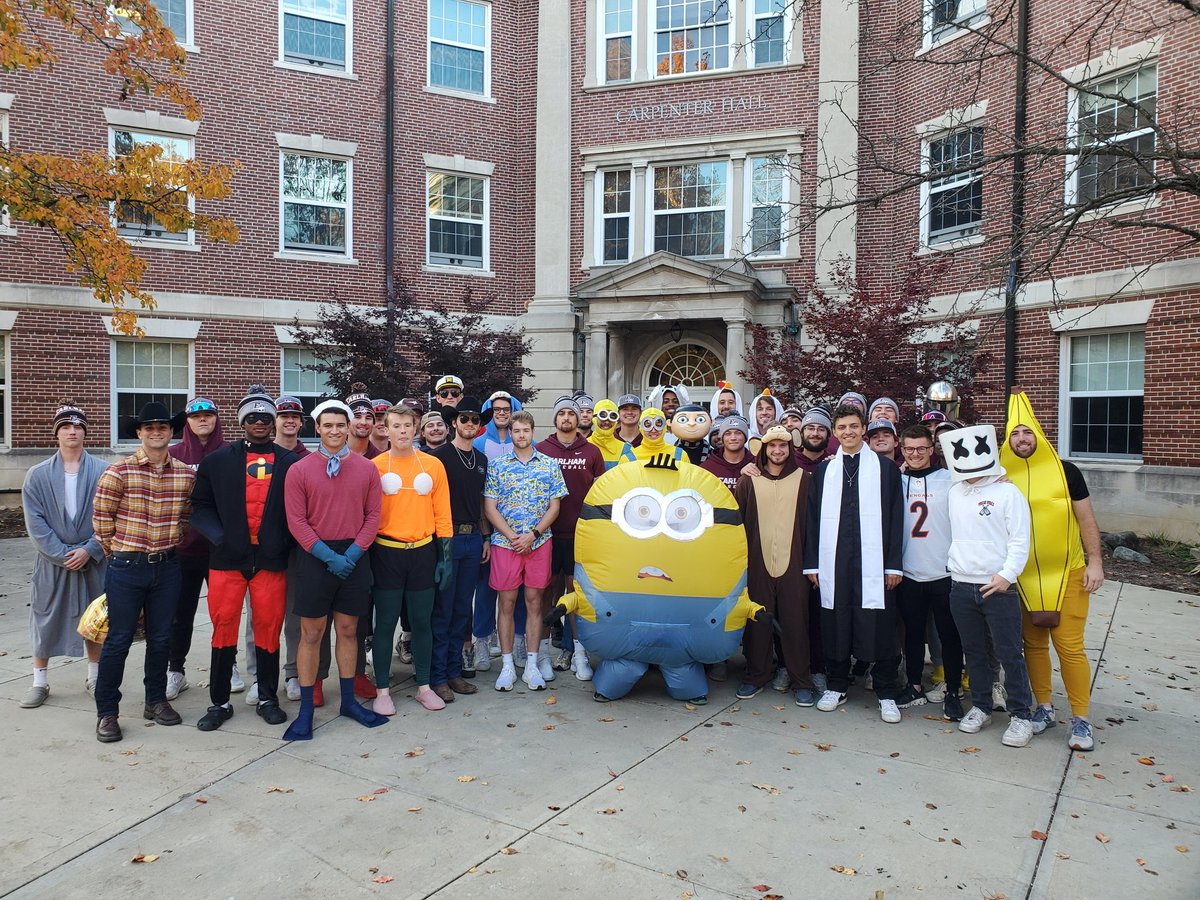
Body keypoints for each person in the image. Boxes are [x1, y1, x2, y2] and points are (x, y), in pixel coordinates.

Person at [188, 386, 299, 731]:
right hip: (227, 562)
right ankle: (219, 702)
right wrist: (222, 538)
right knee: (223, 629)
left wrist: (282, 543)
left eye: (266, 416)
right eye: (252, 417)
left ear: (274, 421)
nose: (260, 422)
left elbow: (301, 511)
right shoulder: (217, 461)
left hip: (270, 562)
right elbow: (200, 508)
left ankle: (268, 696)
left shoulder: (292, 463)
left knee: (268, 629)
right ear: (241, 422)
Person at [1002, 391, 1105, 751]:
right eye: (1014, 434)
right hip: (1022, 577)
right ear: (1007, 439)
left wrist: (1096, 561)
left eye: (1027, 432)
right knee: (1032, 645)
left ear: (1039, 434)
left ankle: (1081, 718)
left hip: (1068, 572)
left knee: (1070, 647)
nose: (1022, 439)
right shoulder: (1001, 475)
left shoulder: (1066, 471)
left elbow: (1086, 519)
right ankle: (1043, 707)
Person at [91, 401, 196, 743]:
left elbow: (185, 517)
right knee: (118, 641)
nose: (156, 432)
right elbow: (102, 523)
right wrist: (119, 555)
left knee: (161, 638)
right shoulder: (117, 473)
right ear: (139, 433)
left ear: (171, 432)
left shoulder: (184, 475)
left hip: (167, 567)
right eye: (149, 427)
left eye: (162, 427)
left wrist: (170, 544)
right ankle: (107, 711)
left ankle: (156, 700)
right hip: (127, 566)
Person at [283, 399, 386, 741]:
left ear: (348, 428)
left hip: (354, 556)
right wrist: (328, 556)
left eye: (340, 425)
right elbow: (297, 521)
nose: (335, 431)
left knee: (348, 629)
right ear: (318, 428)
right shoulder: (299, 469)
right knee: (311, 634)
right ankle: (306, 713)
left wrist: (354, 553)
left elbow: (373, 516)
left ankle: (348, 703)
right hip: (316, 556)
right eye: (328, 425)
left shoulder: (366, 468)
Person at [802, 403, 906, 724]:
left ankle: (886, 691)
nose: (848, 432)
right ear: (835, 433)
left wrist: (892, 566)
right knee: (836, 618)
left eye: (854, 426)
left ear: (864, 429)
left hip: (873, 561)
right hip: (834, 559)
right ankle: (837, 684)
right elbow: (813, 520)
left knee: (880, 621)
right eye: (842, 428)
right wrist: (813, 566)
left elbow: (895, 519)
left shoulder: (886, 470)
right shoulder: (824, 471)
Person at [941, 423, 1035, 748]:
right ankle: (981, 706)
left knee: (1010, 653)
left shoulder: (1008, 492)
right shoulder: (954, 491)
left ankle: (1021, 714)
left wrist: (1007, 575)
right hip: (961, 585)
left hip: (998, 587)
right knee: (975, 652)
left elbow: (1021, 539)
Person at [20, 403, 109, 709]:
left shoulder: (103, 471)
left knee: (95, 620)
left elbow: (113, 515)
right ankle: (39, 681)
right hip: (52, 563)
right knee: (45, 618)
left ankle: (95, 676)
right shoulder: (38, 475)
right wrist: (62, 554)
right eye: (65, 427)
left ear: (85, 432)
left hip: (93, 559)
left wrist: (90, 548)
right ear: (56, 433)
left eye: (78, 426)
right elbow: (36, 523)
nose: (72, 431)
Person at [371, 404, 454, 712]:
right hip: (386, 552)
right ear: (387, 429)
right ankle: (382, 690)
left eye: (408, 425)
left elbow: (442, 512)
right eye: (396, 425)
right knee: (386, 623)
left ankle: (423, 685)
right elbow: (368, 514)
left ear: (416, 428)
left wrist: (445, 555)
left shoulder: (432, 466)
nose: (402, 430)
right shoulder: (376, 465)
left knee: (422, 623)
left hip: (422, 551)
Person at [483, 410, 567, 692]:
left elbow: (555, 506)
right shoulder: (497, 466)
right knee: (505, 603)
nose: (521, 435)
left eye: (525, 431)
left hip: (539, 543)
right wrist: (511, 536)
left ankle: (531, 664)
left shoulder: (549, 465)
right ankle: (507, 664)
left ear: (533, 432)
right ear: (511, 432)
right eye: (516, 431)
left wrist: (532, 535)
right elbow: (490, 507)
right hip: (505, 544)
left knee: (535, 602)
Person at [734, 424, 817, 706]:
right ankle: (755, 676)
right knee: (757, 621)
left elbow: (814, 526)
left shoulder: (804, 480)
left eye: (783, 446)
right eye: (772, 446)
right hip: (756, 562)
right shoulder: (748, 481)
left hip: (795, 563)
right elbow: (737, 526)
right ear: (764, 449)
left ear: (790, 449)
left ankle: (801, 680)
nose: (778, 451)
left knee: (796, 622)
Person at [897, 424, 965, 720]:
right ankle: (914, 684)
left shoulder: (950, 480)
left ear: (931, 450)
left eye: (921, 448)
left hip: (944, 572)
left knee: (950, 636)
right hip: (909, 572)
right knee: (912, 634)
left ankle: (952, 690)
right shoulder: (895, 481)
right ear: (902, 450)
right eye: (909, 448)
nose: (915, 454)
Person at [165, 397, 230, 701]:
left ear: (217, 418)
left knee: (224, 613)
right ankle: (175, 670)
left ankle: (227, 666)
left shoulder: (231, 452)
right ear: (187, 421)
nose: (203, 419)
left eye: (208, 414)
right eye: (196, 416)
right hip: (184, 549)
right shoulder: (173, 454)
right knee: (180, 615)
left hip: (221, 549)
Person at [537, 396, 606, 679]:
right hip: (547, 535)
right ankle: (540, 655)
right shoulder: (541, 449)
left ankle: (580, 655)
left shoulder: (591, 452)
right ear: (555, 419)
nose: (566, 417)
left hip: (580, 536)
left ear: (579, 419)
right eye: (561, 413)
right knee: (545, 595)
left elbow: (602, 493)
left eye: (571, 413)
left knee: (577, 596)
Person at [431, 397, 491, 690]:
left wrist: (486, 536)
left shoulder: (481, 460)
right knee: (443, 608)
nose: (469, 424)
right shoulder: (439, 456)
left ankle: (454, 671)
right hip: (446, 538)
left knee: (462, 609)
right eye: (464, 419)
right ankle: (438, 676)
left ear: (480, 426)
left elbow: (481, 501)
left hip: (473, 538)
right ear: (454, 422)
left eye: (475, 420)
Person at [275, 395, 313, 703]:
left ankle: (292, 672)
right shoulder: (259, 455)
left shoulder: (307, 458)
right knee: (260, 618)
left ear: (301, 422)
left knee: (295, 617)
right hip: (264, 548)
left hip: (299, 549)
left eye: (294, 416)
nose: (289, 420)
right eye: (283, 415)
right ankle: (260, 677)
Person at [701, 415, 753, 493]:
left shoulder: (756, 464)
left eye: (738, 433)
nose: (733, 438)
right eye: (728, 434)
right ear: (722, 438)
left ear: (745, 437)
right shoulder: (707, 468)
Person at [619, 407, 688, 464]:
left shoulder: (680, 455)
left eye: (658, 425)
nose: (653, 430)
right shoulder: (628, 458)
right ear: (641, 428)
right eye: (648, 425)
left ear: (665, 427)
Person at [473, 391, 521, 461]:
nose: (501, 413)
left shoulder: (526, 442)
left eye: (506, 409)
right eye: (496, 409)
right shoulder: (477, 444)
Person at [345, 384, 381, 459]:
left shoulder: (380, 459)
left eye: (368, 417)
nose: (363, 422)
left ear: (373, 423)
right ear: (347, 422)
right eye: (357, 417)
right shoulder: (333, 457)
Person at [587, 399, 624, 469]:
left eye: (612, 417)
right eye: (602, 416)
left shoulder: (625, 449)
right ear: (594, 419)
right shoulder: (582, 447)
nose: (607, 422)